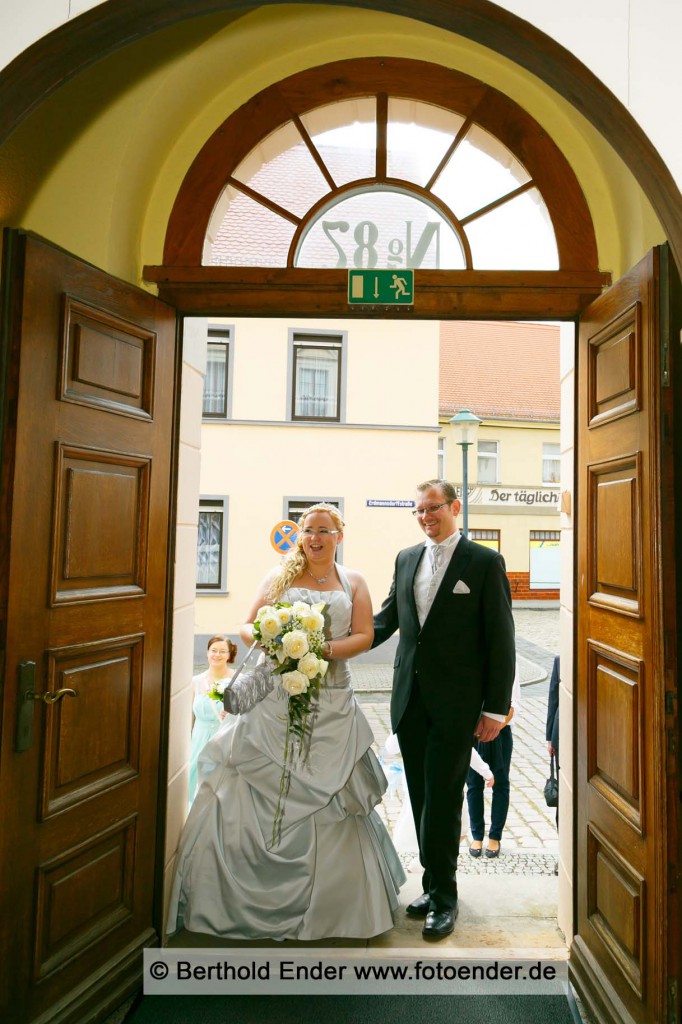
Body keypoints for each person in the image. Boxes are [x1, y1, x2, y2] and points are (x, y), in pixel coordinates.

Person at [167, 503, 405, 940]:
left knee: (333, 795)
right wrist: (275, 642)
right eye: (309, 530)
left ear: (339, 535)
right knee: (250, 782)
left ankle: (338, 909)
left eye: (324, 530)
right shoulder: (278, 577)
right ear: (300, 536)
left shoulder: (354, 581)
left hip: (332, 698)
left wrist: (317, 651)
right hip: (274, 699)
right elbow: (246, 625)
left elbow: (365, 635)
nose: (315, 537)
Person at [372, 479, 516, 939]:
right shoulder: (406, 558)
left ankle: (445, 898)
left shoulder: (485, 562)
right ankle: (431, 884)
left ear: (455, 506)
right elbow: (386, 619)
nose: (425, 517)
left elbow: (501, 640)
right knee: (421, 796)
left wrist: (495, 708)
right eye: (418, 511)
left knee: (445, 796)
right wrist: (324, 641)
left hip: (457, 706)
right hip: (409, 700)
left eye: (433, 508)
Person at [467, 667, 521, 858]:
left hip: (500, 730)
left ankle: (495, 837)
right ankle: (477, 836)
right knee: (473, 784)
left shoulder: (508, 661)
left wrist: (493, 728)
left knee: (500, 783)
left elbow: (513, 706)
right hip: (473, 729)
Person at [188, 635, 236, 806]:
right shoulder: (195, 681)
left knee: (222, 784)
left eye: (222, 651)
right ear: (207, 653)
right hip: (199, 739)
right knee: (195, 780)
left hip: (224, 738)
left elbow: (246, 714)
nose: (217, 655)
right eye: (213, 650)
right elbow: (187, 718)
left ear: (229, 655)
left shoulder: (238, 680)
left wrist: (232, 715)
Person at [546, 654, 560, 829]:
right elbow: (553, 699)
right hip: (560, 733)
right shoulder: (559, 660)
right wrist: (550, 737)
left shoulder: (560, 659)